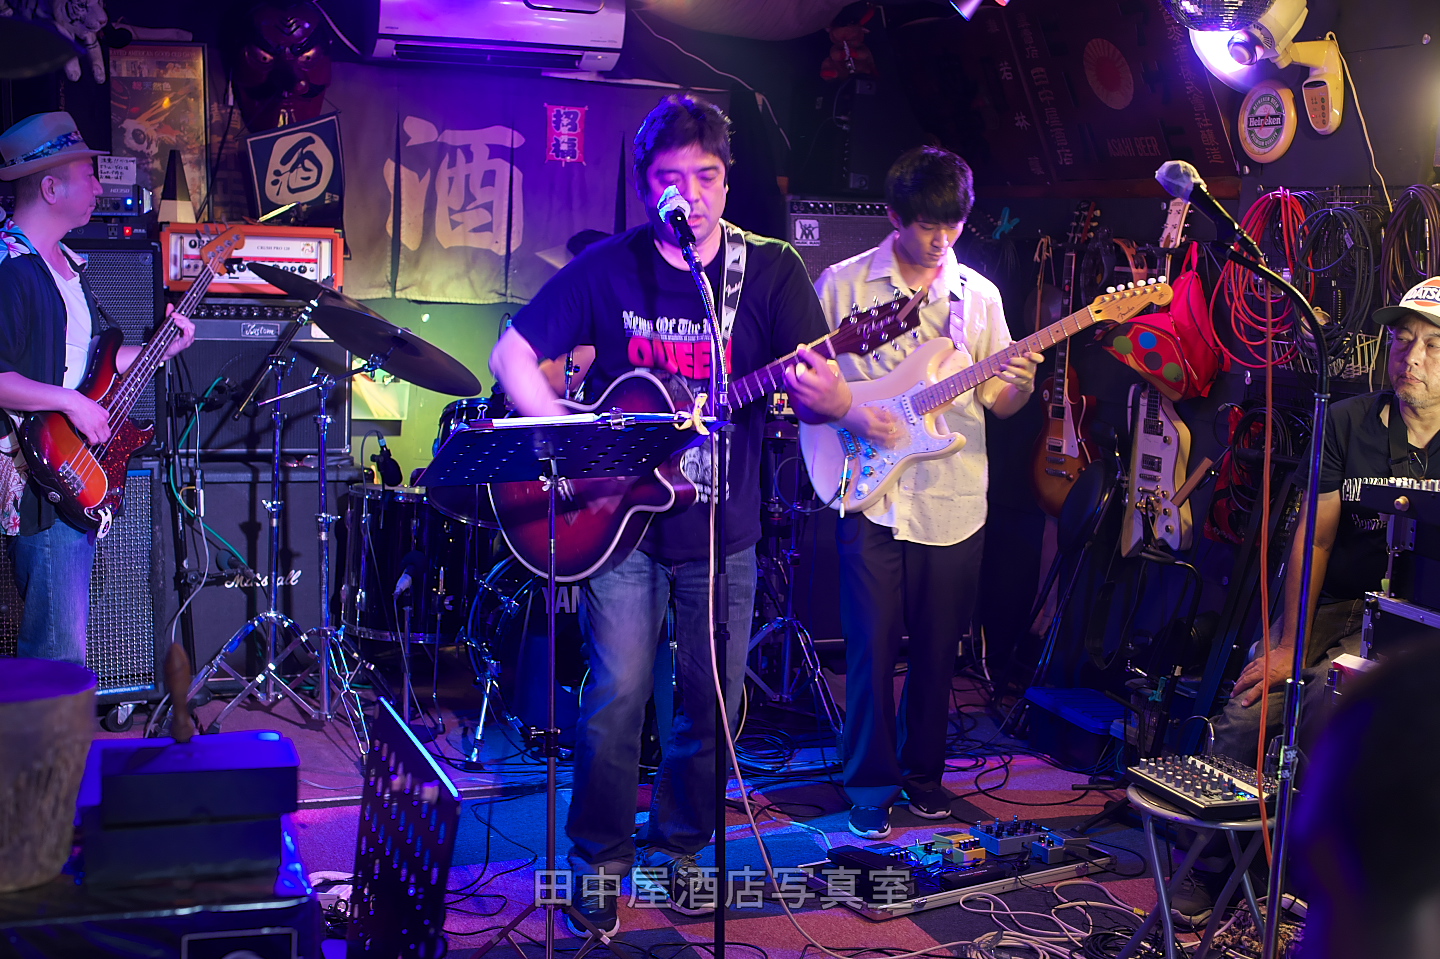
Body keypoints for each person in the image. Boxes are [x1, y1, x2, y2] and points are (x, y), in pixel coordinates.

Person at [488, 94, 853, 937]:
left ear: (728, 181)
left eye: (707, 176)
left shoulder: (770, 272)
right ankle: (597, 861)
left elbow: (824, 391)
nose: (689, 194)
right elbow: (513, 352)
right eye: (670, 178)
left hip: (724, 528)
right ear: (645, 184)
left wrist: (829, 393)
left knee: (711, 701)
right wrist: (569, 435)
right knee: (617, 694)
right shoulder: (609, 267)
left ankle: (682, 846)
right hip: (620, 526)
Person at [1173, 276, 1440, 927]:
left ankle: (1313, 872)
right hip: (1333, 603)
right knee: (1251, 707)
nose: (1411, 357)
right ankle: (1206, 864)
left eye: (1433, 346)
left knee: (1331, 702)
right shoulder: (1347, 421)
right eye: (1402, 340)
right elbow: (1314, 539)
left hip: (1416, 623)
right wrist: (1290, 643)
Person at [812, 146, 1041, 840]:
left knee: (940, 648)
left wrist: (1022, 382)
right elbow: (808, 384)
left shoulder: (979, 296)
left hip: (952, 492)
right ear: (895, 216)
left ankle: (924, 775)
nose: (943, 239)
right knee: (871, 645)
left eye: (955, 224)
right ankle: (868, 784)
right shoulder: (843, 284)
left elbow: (1001, 402)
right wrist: (857, 416)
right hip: (867, 487)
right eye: (928, 225)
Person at [0, 112, 195, 666]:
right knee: (57, 656)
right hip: (39, 475)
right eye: (88, 175)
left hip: (73, 466)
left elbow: (92, 365)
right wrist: (70, 403)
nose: (98, 186)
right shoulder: (11, 269)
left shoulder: (66, 265)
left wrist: (162, 349)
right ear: (50, 187)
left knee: (63, 646)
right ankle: (50, 728)